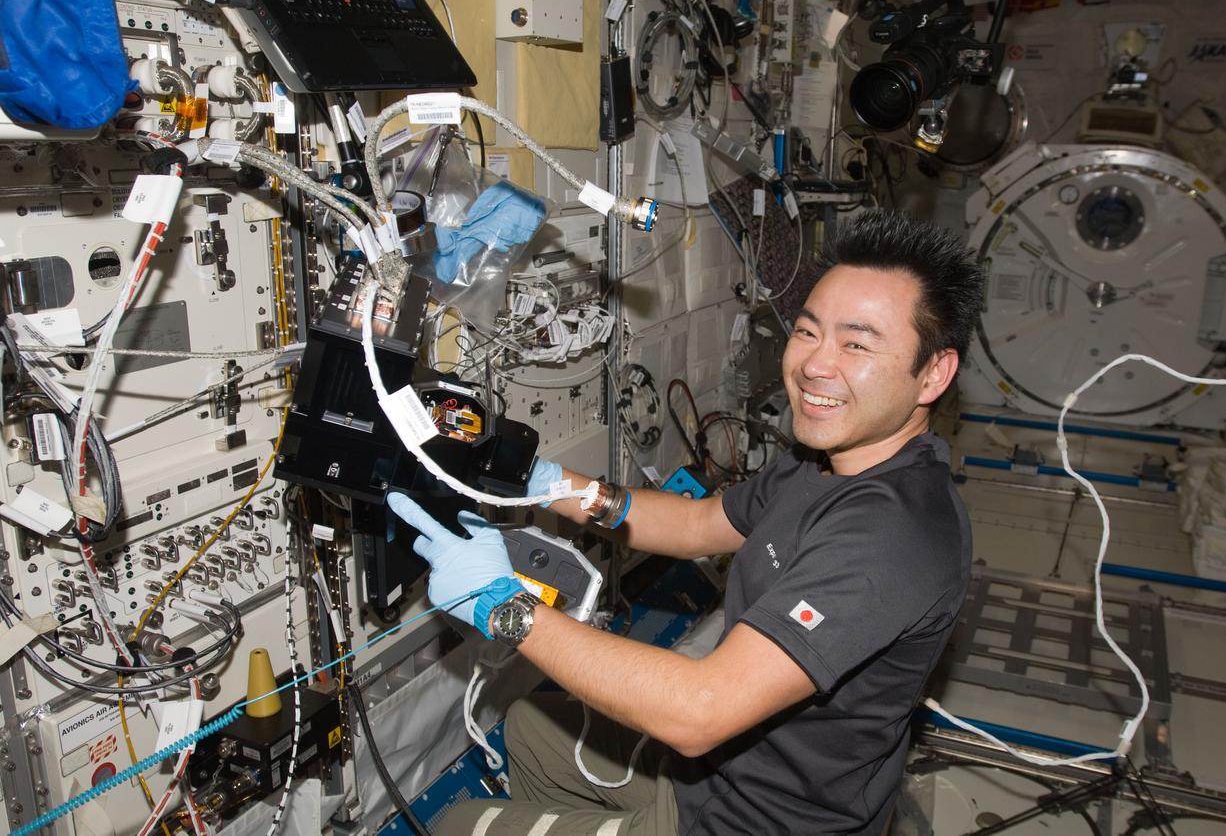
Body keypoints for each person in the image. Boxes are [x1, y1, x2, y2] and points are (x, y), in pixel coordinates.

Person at [389, 209, 984, 835]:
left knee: (458, 825)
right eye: (808, 332)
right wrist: (561, 487)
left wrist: (503, 606)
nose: (814, 365)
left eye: (857, 344)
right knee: (531, 729)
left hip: (758, 821)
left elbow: (699, 712)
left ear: (934, 373)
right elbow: (701, 524)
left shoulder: (893, 535)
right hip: (724, 774)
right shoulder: (829, 460)